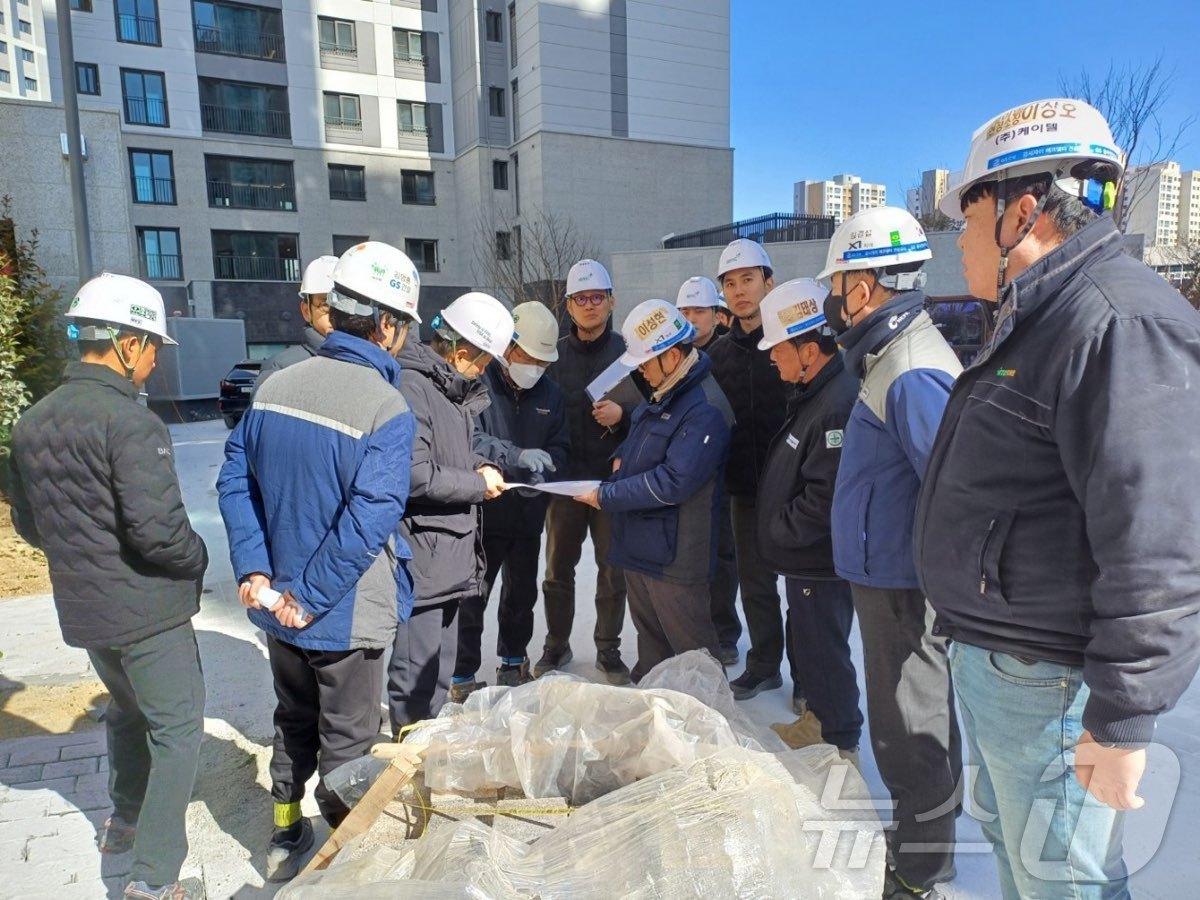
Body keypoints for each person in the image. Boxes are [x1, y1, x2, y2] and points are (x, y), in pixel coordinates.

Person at [915, 99, 1200, 900]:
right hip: (1007, 666)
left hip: (1052, 686)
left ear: (1023, 212)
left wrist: (1121, 717)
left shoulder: (1116, 320)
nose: (960, 244)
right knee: (1019, 852)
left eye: (967, 223)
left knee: (1063, 880)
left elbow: (1159, 539)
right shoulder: (1039, 315)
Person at [217, 242, 419, 881]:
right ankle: (346, 863)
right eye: (404, 326)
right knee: (349, 746)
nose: (403, 340)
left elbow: (232, 481)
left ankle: (284, 834)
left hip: (276, 611)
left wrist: (256, 572)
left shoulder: (276, 386)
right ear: (386, 324)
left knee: (291, 717)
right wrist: (311, 594)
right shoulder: (386, 409)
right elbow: (369, 520)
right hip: (342, 619)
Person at [9, 273, 208, 900]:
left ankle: (123, 820)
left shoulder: (32, 422)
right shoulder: (131, 424)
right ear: (124, 344)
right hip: (148, 613)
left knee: (126, 709)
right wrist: (199, 557)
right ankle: (153, 878)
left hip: (88, 612)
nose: (154, 359)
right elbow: (159, 535)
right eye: (151, 345)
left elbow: (30, 524)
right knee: (177, 731)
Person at [822, 206, 963, 898]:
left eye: (840, 278)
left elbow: (952, 491)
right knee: (902, 723)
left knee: (912, 728)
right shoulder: (891, 356)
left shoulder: (909, 369)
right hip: (889, 576)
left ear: (869, 285)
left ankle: (921, 867)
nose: (833, 295)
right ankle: (919, 840)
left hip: (905, 586)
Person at [574, 299, 732, 681]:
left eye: (646, 362)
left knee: (695, 661)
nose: (642, 372)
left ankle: (711, 729)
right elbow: (637, 439)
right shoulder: (662, 392)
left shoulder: (704, 408)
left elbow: (674, 481)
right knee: (654, 652)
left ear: (673, 355)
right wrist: (620, 458)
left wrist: (605, 495)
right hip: (643, 548)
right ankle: (662, 722)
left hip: (676, 558)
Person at [388, 292, 513, 729]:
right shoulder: (412, 387)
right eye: (483, 362)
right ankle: (406, 773)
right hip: (423, 558)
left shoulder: (451, 392)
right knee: (413, 681)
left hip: (451, 558)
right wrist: (477, 485)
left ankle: (428, 763)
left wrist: (478, 464)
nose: (484, 371)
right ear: (461, 353)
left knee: (438, 678)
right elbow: (414, 475)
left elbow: (451, 454)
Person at [753, 278, 863, 760]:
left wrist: (779, 529)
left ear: (807, 350)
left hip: (817, 561)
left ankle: (840, 742)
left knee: (824, 650)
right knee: (812, 648)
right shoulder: (816, 393)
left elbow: (825, 496)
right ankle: (819, 721)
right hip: (805, 561)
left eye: (778, 349)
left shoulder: (835, 403)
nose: (771, 359)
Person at [451, 301, 570, 696]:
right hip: (484, 515)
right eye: (529, 357)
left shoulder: (552, 394)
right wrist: (515, 456)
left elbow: (561, 444)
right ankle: (462, 674)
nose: (535, 367)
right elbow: (469, 438)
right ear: (508, 349)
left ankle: (513, 662)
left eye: (543, 361)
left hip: (528, 514)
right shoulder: (479, 384)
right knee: (472, 596)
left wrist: (550, 464)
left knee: (521, 593)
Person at [707, 239, 800, 706]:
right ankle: (765, 666)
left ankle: (808, 677)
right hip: (743, 490)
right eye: (729, 283)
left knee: (804, 590)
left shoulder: (793, 342)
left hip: (797, 491)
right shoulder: (719, 356)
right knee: (756, 585)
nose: (739, 290)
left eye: (748, 280)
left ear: (769, 282)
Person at [537, 259, 638, 684]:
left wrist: (623, 415)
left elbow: (652, 412)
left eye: (598, 297)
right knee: (558, 570)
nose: (590, 305)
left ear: (611, 301)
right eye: (581, 299)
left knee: (613, 571)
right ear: (569, 305)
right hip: (565, 482)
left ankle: (608, 650)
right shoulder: (552, 355)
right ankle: (556, 645)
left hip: (613, 483)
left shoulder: (629, 353)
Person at [675, 275, 739, 664]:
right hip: (689, 472)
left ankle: (726, 632)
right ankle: (696, 628)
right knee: (694, 555)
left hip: (727, 472)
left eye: (699, 310)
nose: (691, 318)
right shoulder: (674, 355)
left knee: (725, 556)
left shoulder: (728, 354)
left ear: (717, 315)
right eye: (684, 311)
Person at [254, 255, 337, 391]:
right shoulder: (280, 368)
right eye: (325, 305)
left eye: (342, 306)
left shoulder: (368, 361)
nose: (336, 315)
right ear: (306, 311)